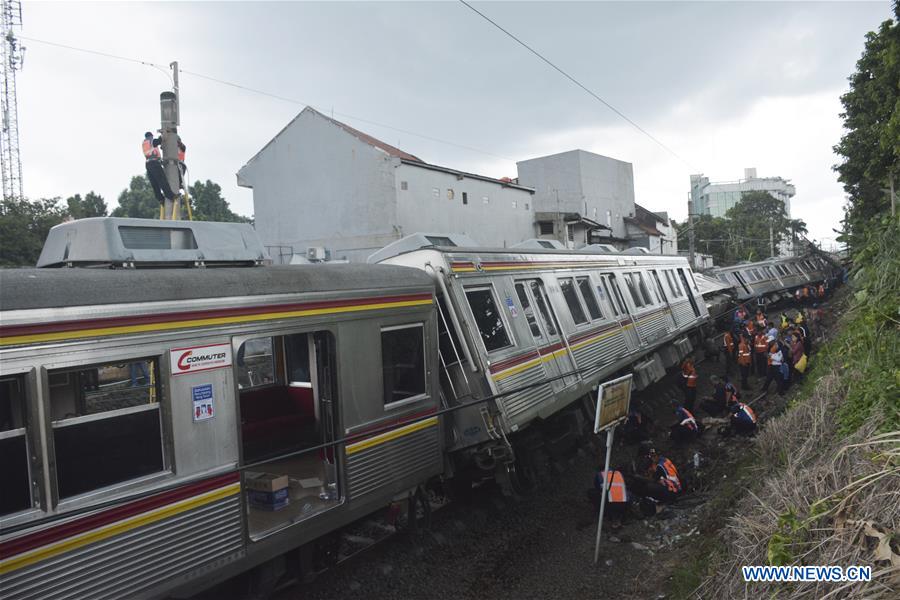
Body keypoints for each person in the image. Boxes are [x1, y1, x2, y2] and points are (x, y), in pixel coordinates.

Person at [630, 447, 682, 514]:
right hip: (677, 487)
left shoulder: (660, 466)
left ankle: (656, 501)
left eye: (654, 456)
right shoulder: (665, 460)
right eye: (651, 456)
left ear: (658, 455)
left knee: (648, 486)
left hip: (672, 491)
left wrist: (639, 477)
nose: (653, 458)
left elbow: (653, 480)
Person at [142, 132, 177, 206]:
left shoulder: (144, 143)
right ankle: (171, 196)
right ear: (151, 136)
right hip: (154, 164)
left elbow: (151, 153)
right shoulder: (151, 141)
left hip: (148, 164)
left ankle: (160, 199)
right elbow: (158, 141)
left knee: (154, 183)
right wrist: (163, 134)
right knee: (162, 180)